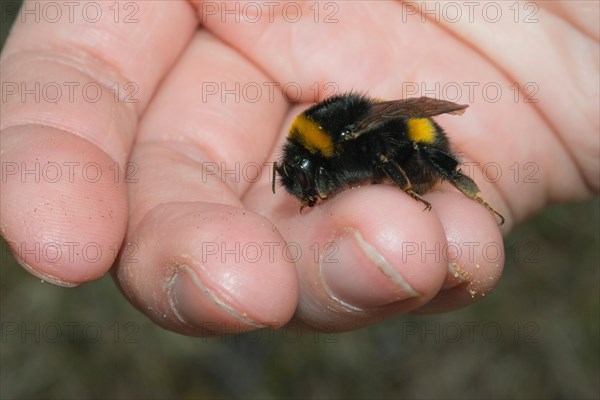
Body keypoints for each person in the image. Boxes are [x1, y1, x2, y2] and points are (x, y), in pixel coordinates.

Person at [1, 1, 597, 335]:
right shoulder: (322, 143)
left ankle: (474, 199)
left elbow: (392, 145)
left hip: (415, 135)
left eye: (308, 177)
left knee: (403, 157)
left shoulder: (353, 139)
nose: (308, 183)